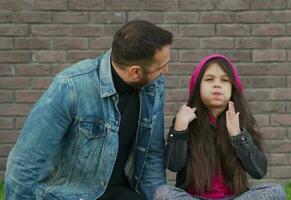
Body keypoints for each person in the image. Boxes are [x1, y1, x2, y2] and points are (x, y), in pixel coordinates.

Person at [5, 20, 173, 200]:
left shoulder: (153, 86)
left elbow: (151, 154)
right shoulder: (70, 87)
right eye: (161, 66)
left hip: (121, 193)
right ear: (135, 72)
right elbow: (24, 163)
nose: (166, 70)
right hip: (68, 195)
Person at [153, 54, 286, 200]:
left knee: (275, 191)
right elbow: (174, 165)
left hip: (234, 198)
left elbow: (259, 171)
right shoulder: (185, 121)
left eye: (224, 80)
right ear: (197, 86)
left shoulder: (241, 122)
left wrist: (237, 136)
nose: (217, 84)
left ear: (233, 88)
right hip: (194, 197)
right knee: (163, 192)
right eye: (209, 79)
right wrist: (180, 128)